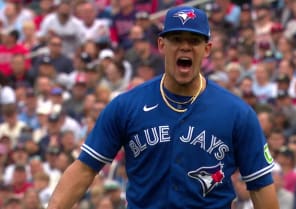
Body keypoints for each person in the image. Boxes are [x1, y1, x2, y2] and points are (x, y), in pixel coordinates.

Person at [47, 6, 279, 209]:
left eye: (194, 41)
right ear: (161, 44)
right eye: (177, 39)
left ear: (207, 49)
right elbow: (85, 169)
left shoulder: (237, 113)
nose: (185, 47)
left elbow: (260, 186)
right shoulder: (126, 106)